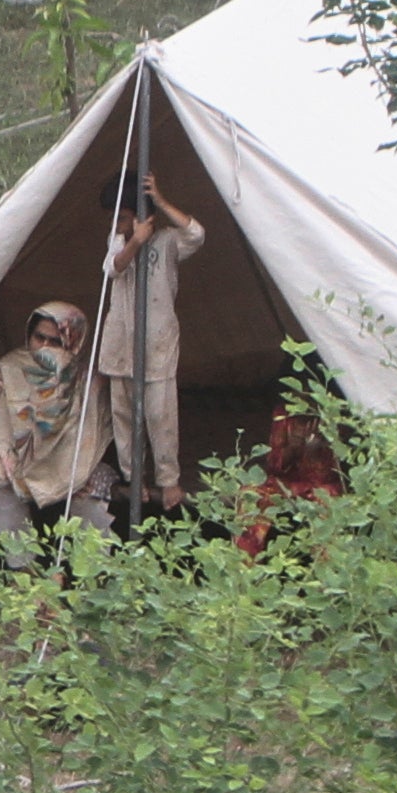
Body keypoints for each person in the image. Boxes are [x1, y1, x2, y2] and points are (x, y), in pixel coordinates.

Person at [91, 171, 209, 520]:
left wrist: (159, 201)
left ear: (141, 215)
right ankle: (134, 477)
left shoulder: (169, 242)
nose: (119, 224)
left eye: (124, 217)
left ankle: (169, 479)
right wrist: (133, 240)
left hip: (156, 343)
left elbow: (197, 234)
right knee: (124, 414)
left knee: (160, 414)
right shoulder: (118, 241)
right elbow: (113, 268)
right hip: (121, 343)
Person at [0, 298, 102, 548]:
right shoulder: (10, 367)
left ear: (72, 343)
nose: (43, 346)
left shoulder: (85, 377)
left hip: (66, 462)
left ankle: (93, 574)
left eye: (54, 342)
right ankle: (24, 567)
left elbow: (86, 432)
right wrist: (15, 469)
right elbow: (2, 426)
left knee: (90, 498)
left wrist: (72, 476)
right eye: (38, 337)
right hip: (14, 458)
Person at [234, 391, 349, 558]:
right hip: (286, 483)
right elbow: (275, 465)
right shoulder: (284, 415)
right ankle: (245, 563)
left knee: (329, 501)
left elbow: (331, 475)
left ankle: (326, 568)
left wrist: (314, 451)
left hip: (320, 485)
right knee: (250, 493)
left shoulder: (334, 418)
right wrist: (292, 448)